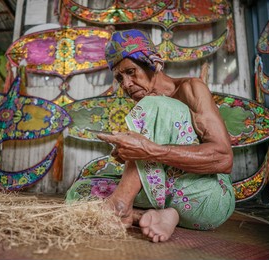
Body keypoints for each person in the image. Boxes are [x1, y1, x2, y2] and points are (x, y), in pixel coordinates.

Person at [65, 29, 235, 242]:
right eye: (119, 78)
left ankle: (120, 206)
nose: (126, 84)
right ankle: (150, 216)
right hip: (168, 201)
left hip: (206, 199)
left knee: (156, 104)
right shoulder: (146, 106)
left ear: (154, 64)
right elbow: (149, 157)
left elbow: (223, 159)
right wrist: (130, 153)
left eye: (131, 72)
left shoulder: (191, 88)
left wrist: (148, 150)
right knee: (80, 192)